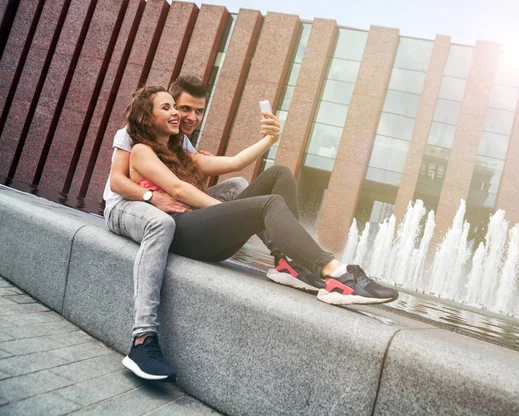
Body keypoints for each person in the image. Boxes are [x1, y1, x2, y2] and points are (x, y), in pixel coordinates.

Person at [122, 85, 400, 379]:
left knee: (279, 173)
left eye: (174, 107)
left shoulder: (181, 153)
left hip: (206, 235)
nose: (177, 113)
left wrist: (270, 138)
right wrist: (223, 210)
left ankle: (288, 264)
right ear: (146, 117)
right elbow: (178, 189)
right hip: (182, 234)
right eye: (167, 108)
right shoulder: (141, 151)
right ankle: (336, 274)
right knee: (266, 205)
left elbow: (235, 163)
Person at [104, 76, 247, 381]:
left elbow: (187, 187)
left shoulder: (181, 142)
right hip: (125, 206)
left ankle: (281, 258)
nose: (185, 117)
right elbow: (118, 181)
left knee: (237, 187)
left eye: (192, 111)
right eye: (178, 108)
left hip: (168, 209)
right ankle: (142, 341)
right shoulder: (131, 135)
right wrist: (151, 196)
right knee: (160, 221)